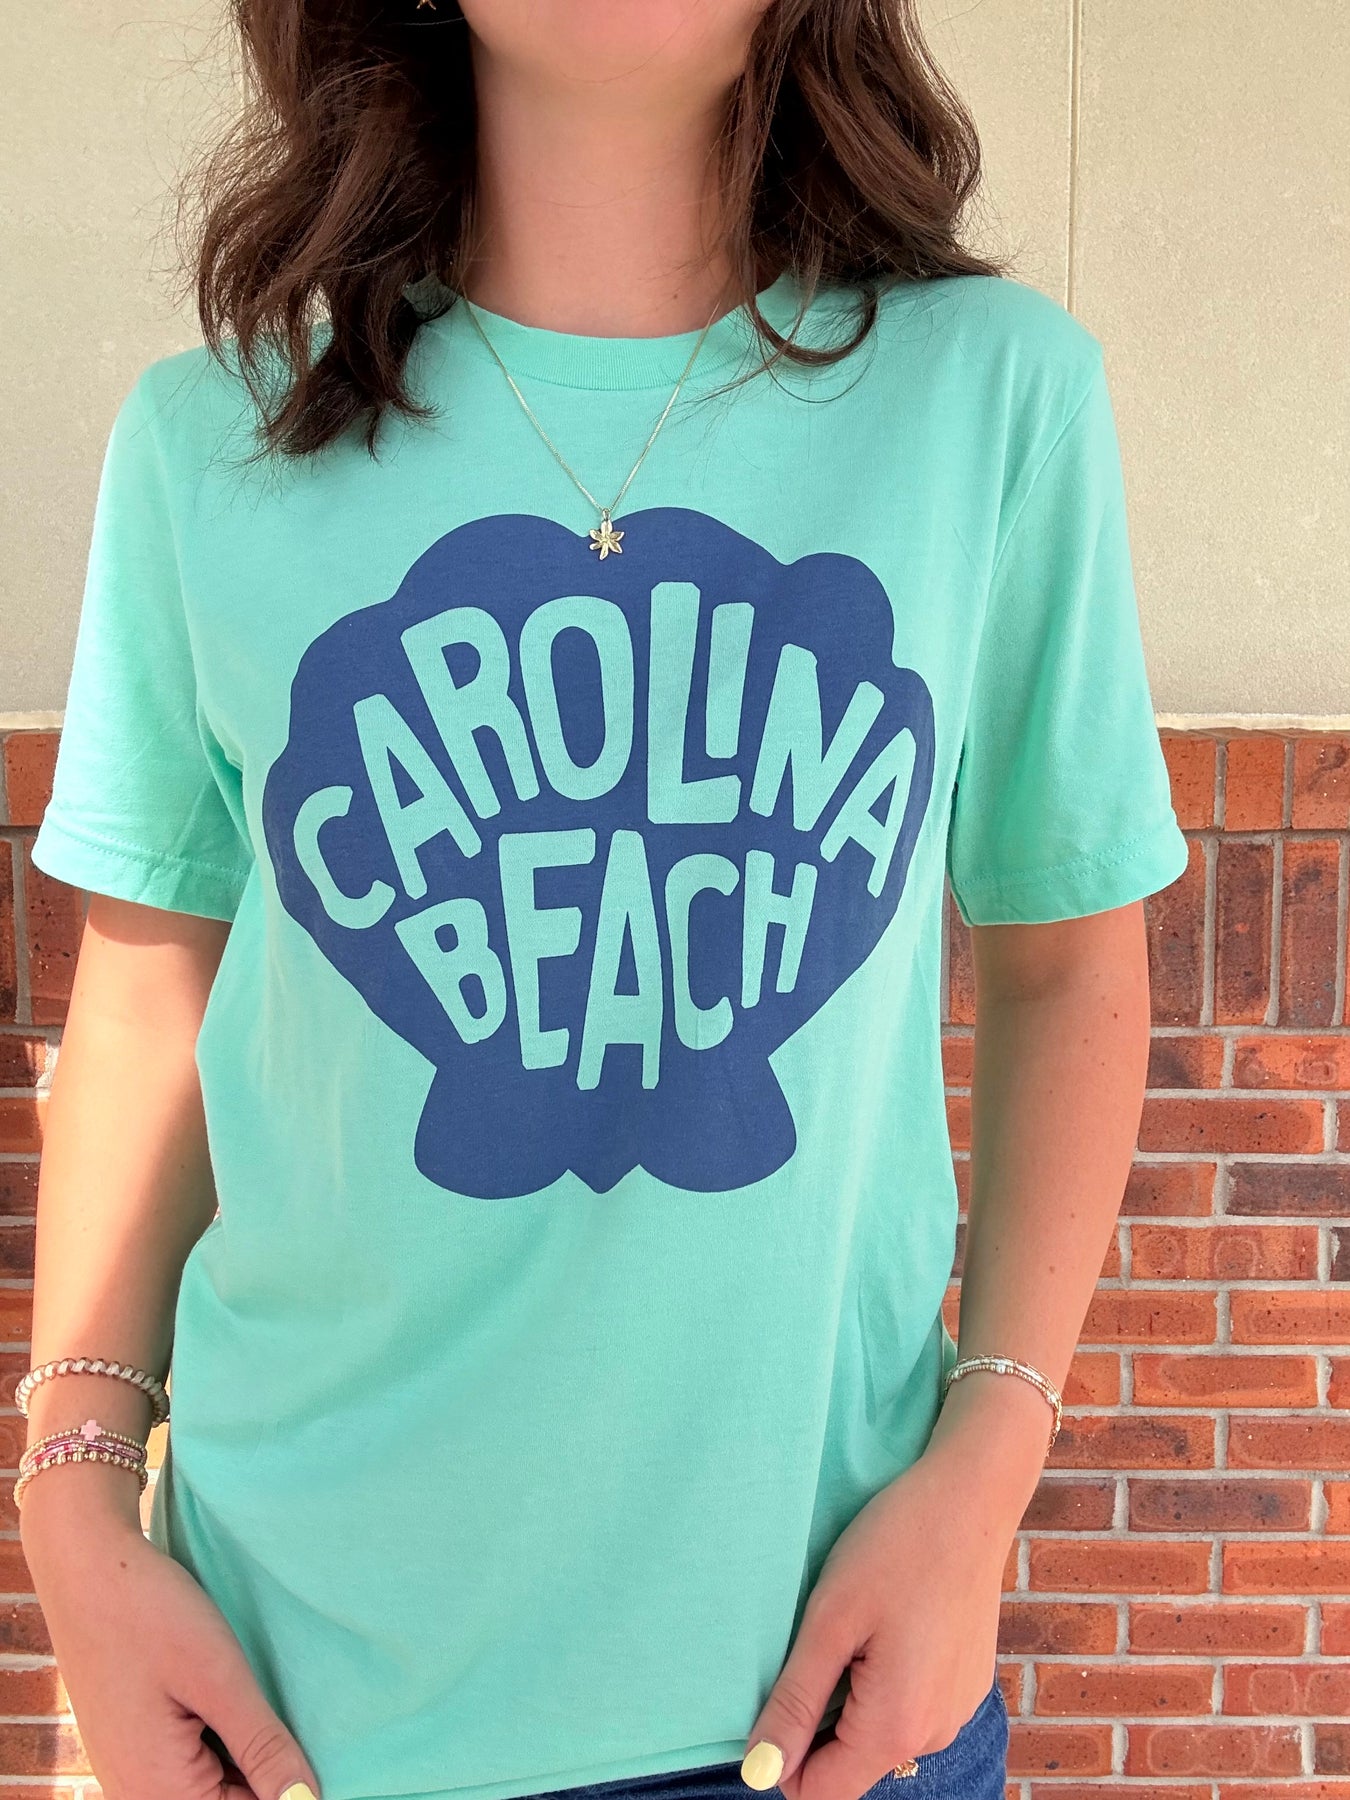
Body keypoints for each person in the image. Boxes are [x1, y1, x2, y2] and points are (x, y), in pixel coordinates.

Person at [17, 4, 1190, 1800]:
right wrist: (73, 1502)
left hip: (823, 1693)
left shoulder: (991, 399)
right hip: (286, 1704)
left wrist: (986, 1466)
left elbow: (1063, 967)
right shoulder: (210, 441)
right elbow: (150, 992)